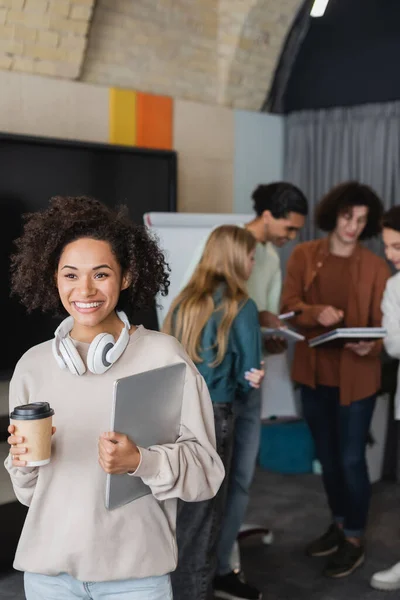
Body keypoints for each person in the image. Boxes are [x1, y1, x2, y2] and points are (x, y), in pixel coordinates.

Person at [4, 196, 224, 600]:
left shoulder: (164, 355)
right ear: (53, 278)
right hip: (47, 574)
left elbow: (206, 473)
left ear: (125, 277)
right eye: (70, 275)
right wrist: (21, 461)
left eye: (100, 274)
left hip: (135, 577)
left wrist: (141, 460)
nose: (84, 289)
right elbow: (29, 492)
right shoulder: (32, 365)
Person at [178, 182, 308, 600]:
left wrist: (265, 336)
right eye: (289, 229)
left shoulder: (265, 260)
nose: (291, 239)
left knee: (217, 491)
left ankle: (205, 573)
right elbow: (248, 366)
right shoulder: (234, 287)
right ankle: (209, 574)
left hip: (210, 396)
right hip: (229, 397)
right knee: (217, 492)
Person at [281, 181, 391, 579]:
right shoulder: (304, 255)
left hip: (358, 376)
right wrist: (315, 312)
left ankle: (356, 538)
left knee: (350, 458)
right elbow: (288, 310)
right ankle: (341, 524)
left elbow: (386, 327)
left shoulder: (376, 266)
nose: (353, 226)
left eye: (362, 220)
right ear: (334, 214)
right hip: (314, 376)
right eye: (348, 217)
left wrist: (371, 346)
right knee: (327, 459)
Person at [163, 225, 265, 600]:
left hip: (179, 412)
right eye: (252, 257)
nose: (254, 264)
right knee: (208, 516)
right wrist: (250, 378)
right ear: (238, 258)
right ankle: (197, 591)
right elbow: (249, 377)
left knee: (185, 509)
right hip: (219, 413)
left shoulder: (184, 301)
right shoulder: (242, 305)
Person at [370, 205, 400, 591]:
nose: (391, 254)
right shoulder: (395, 286)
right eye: (388, 246)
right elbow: (393, 343)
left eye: (397, 246)